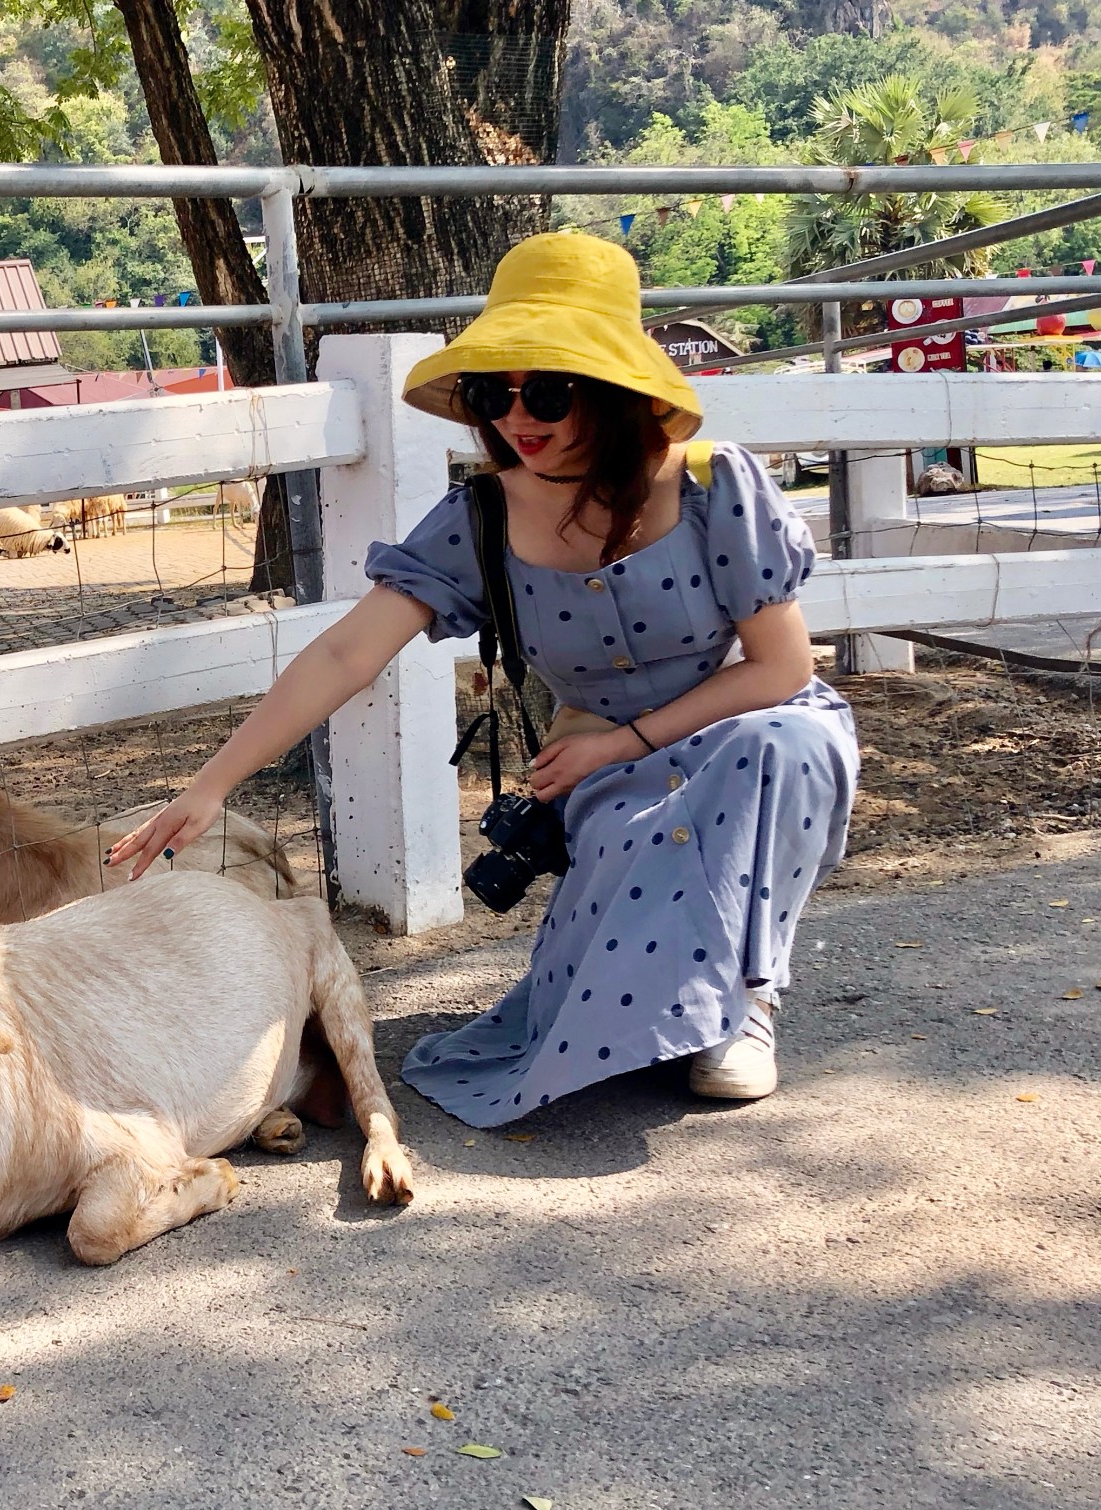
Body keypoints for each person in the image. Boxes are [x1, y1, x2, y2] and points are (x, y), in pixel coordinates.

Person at [109, 232, 858, 1126]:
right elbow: (348, 653)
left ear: (616, 390)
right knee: (638, 840)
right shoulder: (478, 519)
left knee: (785, 745)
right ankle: (682, 1008)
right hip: (601, 772)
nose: (515, 416)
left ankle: (747, 1007)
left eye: (545, 388)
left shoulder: (712, 487)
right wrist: (209, 785)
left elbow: (781, 668)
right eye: (489, 391)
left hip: (740, 726)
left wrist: (619, 740)